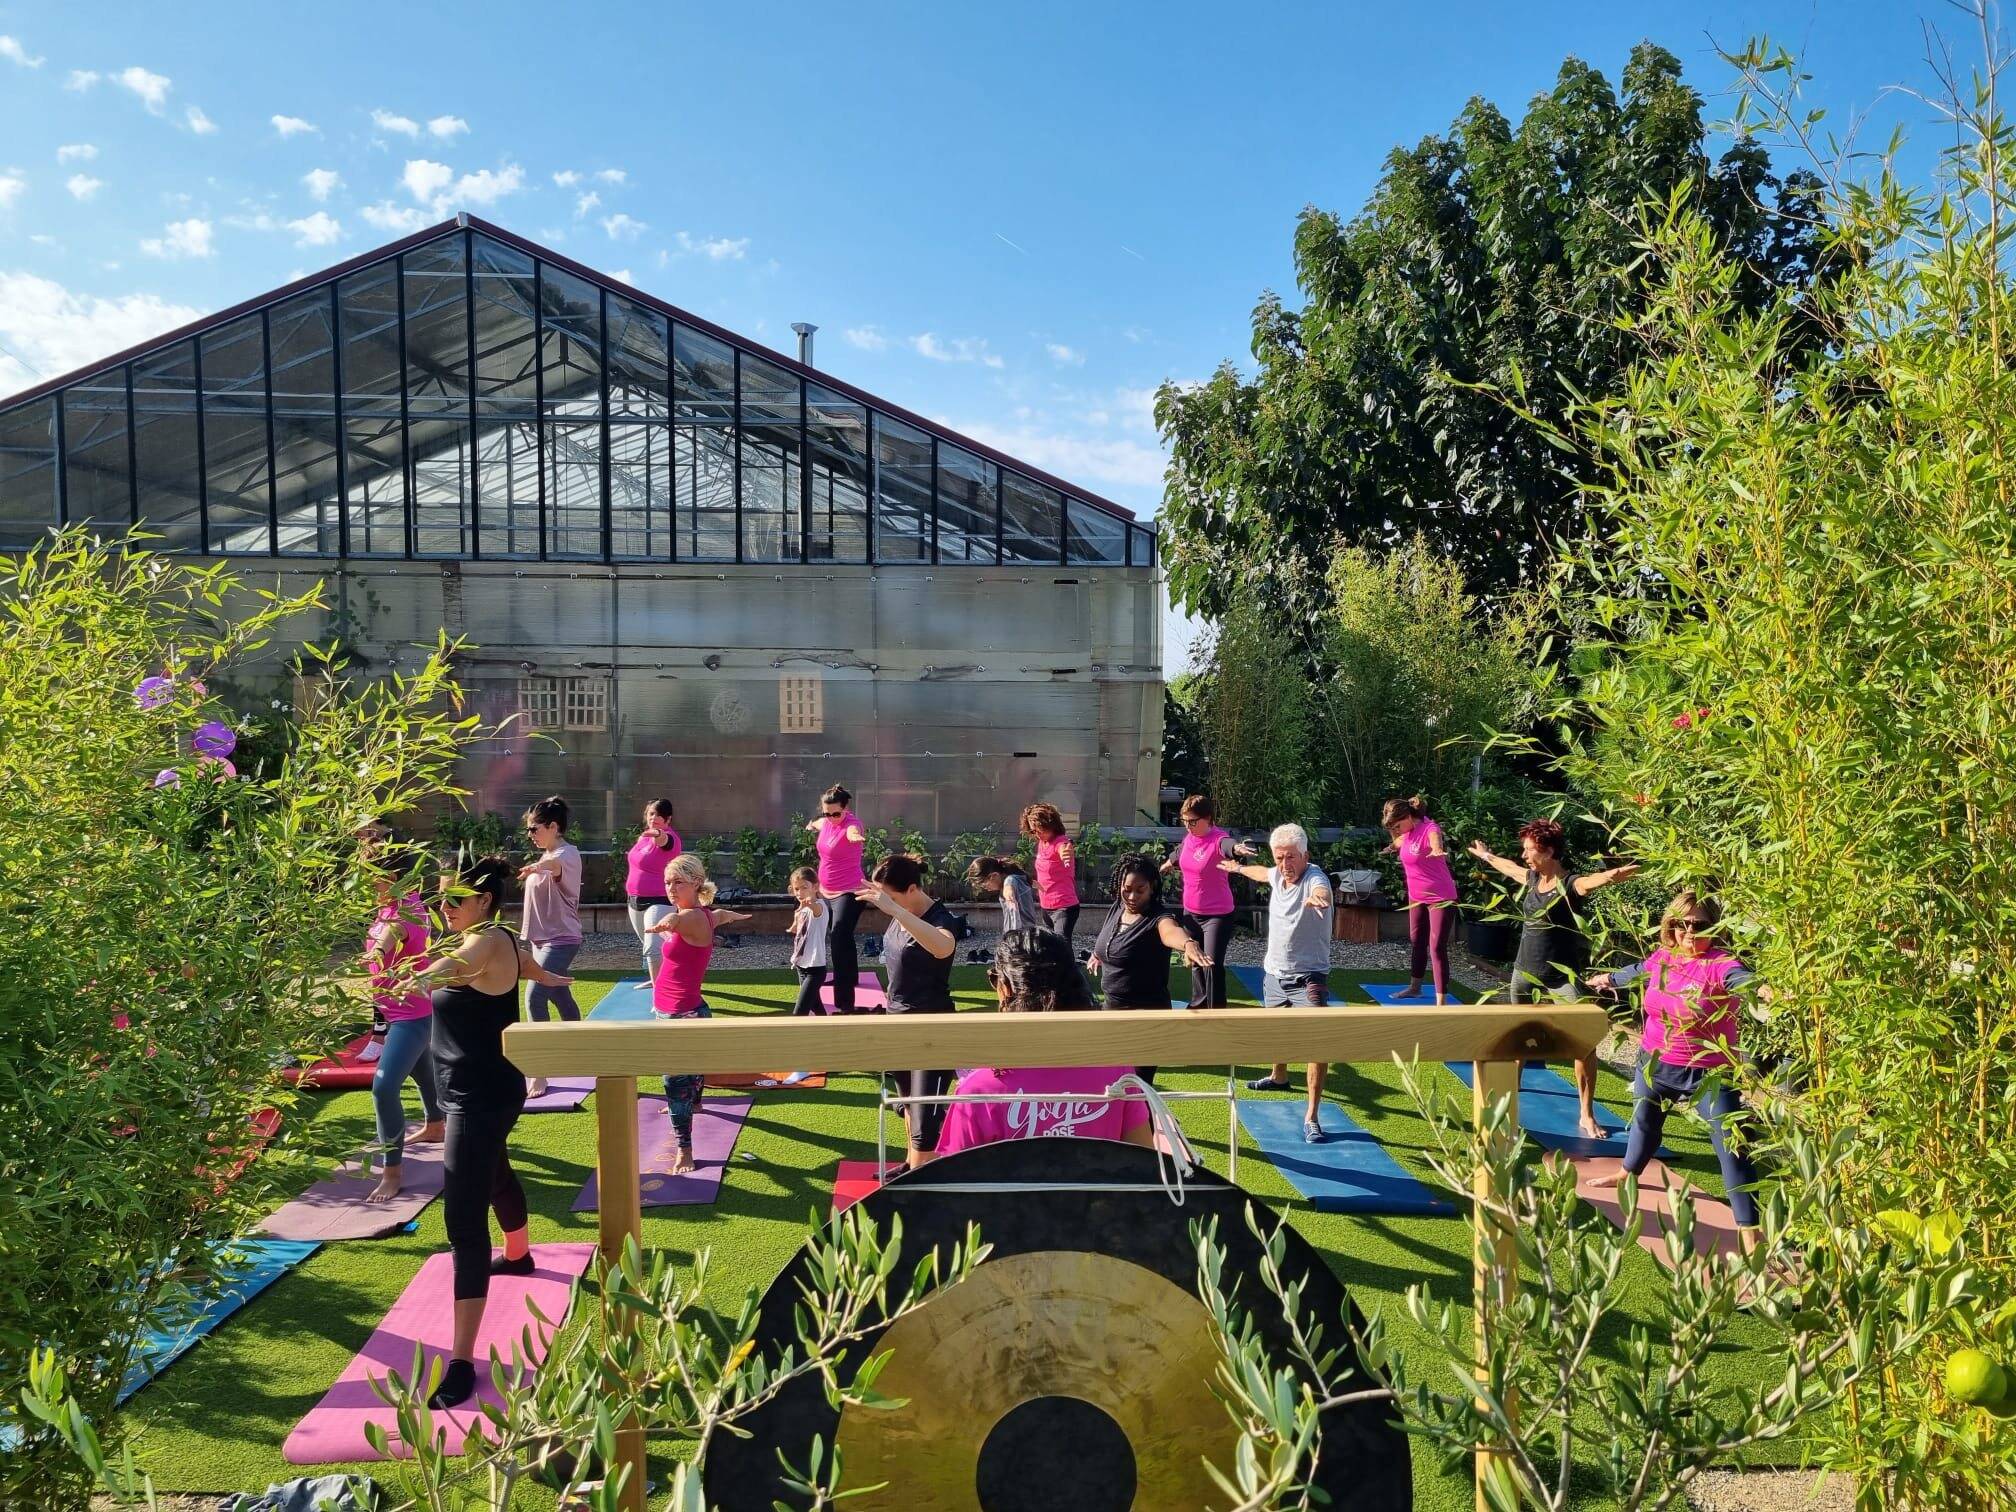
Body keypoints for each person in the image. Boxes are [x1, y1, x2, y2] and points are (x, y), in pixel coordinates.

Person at [415, 856, 575, 1410]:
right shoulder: (500, 938)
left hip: (476, 1099)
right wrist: (545, 976)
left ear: (483, 901)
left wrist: (391, 956)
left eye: (453, 900)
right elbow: (524, 964)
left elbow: (427, 978)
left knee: (462, 1221)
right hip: (490, 1090)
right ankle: (520, 1254)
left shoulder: (480, 944)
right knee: (495, 1172)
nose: (443, 908)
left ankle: (461, 1361)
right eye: (438, 899)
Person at [1586, 893, 1763, 1252]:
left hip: (1709, 1074)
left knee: (1733, 1147)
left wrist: (1765, 989)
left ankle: (1751, 1233)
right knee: (1644, 1123)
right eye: (1681, 923)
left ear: (1715, 928)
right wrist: (1608, 979)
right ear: (1670, 925)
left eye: (1699, 924)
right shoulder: (1664, 957)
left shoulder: (1720, 963)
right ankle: (1627, 1172)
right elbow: (1638, 970)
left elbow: (1741, 979)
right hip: (1655, 1063)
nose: (1689, 931)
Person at [1469, 820, 1639, 1140]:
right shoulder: (1533, 878)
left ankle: (1586, 1115)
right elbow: (1511, 869)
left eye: (1530, 850)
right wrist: (1487, 856)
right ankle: (1512, 1094)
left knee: (1583, 1045)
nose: (1524, 856)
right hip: (1524, 972)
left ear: (1548, 852)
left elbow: (1590, 883)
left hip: (1561, 978)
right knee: (1518, 1037)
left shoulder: (1570, 884)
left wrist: (1613, 875)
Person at [936, 929, 1157, 1156]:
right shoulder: (1117, 1072)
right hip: (1101, 1180)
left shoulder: (978, 1090)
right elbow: (1144, 1162)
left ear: (1007, 989)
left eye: (995, 979)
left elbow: (953, 1173)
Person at [643, 854, 753, 1173]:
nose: (670, 888)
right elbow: (719, 915)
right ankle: (696, 1103)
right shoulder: (704, 915)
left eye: (678, 882)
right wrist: (734, 915)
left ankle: (685, 1151)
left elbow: (678, 921)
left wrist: (668, 924)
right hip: (687, 1008)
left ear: (696, 883)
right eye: (667, 882)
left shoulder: (688, 917)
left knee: (673, 1082)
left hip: (679, 1014)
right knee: (692, 1070)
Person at [1227, 825, 1337, 1143]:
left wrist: (1319, 900)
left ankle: (1312, 1116)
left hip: (1308, 976)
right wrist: (1238, 868)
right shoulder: (1277, 873)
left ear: (1305, 855)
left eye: (1291, 857)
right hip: (1274, 973)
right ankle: (1279, 1076)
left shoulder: (1315, 879)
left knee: (1317, 1045)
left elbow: (1322, 891)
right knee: (1277, 1029)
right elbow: (1263, 873)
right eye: (1279, 857)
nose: (1285, 864)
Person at [856, 854, 959, 1169]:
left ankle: (918, 1177)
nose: (883, 904)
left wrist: (896, 910)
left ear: (913, 889)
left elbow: (944, 947)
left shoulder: (940, 918)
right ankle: (910, 1165)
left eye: (890, 897)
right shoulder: (900, 913)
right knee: (907, 1103)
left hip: (931, 1030)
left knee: (925, 1119)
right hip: (897, 1023)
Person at [361, 840, 444, 1203]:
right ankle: (435, 1125)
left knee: (383, 1088)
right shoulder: (395, 905)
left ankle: (391, 1173)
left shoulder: (402, 913)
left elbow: (388, 940)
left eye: (370, 876)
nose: (366, 884)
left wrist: (375, 953)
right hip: (400, 1011)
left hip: (411, 1014)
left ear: (390, 877)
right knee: (423, 1071)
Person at [1087, 854, 1213, 1082]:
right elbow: (1111, 940)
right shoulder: (1118, 908)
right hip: (1111, 1013)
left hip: (1146, 1018)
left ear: (1152, 887)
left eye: (1140, 890)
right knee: (1109, 1086)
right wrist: (1098, 954)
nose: (1132, 896)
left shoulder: (1158, 917)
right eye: (1127, 889)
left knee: (1138, 1089)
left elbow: (1170, 931)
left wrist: (1187, 943)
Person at [1159, 794, 1254, 1007]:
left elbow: (1228, 846)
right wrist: (1167, 864)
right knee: (1195, 960)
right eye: (1184, 822)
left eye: (1193, 821)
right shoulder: (1189, 838)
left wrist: (1237, 850)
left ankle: (1216, 1009)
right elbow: (1180, 852)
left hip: (1217, 915)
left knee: (1210, 964)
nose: (1188, 826)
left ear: (1208, 818)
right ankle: (1199, 1005)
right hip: (1191, 913)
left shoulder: (1218, 839)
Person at [518, 796, 583, 1099]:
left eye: (534, 829)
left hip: (562, 939)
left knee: (534, 996)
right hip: (541, 940)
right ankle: (581, 1047)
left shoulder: (567, 855)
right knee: (558, 992)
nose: (530, 834)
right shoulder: (546, 855)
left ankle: (539, 1071)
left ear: (554, 827)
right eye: (528, 830)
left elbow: (553, 866)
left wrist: (538, 866)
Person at [1382, 795, 1459, 1004]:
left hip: (1441, 898)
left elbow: (1435, 839)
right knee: (1417, 942)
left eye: (1397, 826)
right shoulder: (1406, 833)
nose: (1396, 831)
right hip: (1416, 898)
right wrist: (1390, 847)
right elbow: (1398, 842)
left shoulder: (1429, 828)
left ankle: (1441, 1001)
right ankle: (1415, 988)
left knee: (1436, 947)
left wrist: (1437, 849)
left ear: (1408, 817)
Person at [805, 785, 869, 1013]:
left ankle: (844, 1003)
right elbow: (818, 823)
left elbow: (853, 832)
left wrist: (855, 837)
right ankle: (850, 977)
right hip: (826, 890)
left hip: (850, 891)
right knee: (843, 937)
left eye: (836, 813)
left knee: (839, 936)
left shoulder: (852, 825)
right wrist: (812, 824)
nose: (832, 817)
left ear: (846, 808)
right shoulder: (825, 822)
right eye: (827, 813)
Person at [624, 798, 682, 985]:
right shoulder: (643, 838)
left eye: (659, 815)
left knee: (652, 948)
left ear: (668, 819)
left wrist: (658, 833)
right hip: (635, 900)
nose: (654, 818)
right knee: (653, 945)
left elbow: (664, 840)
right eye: (651, 814)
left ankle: (660, 991)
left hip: (659, 901)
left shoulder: (671, 839)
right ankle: (663, 978)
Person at [1021, 802, 1081, 943]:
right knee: (1050, 947)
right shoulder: (1042, 843)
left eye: (1040, 830)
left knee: (1062, 946)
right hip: (1046, 906)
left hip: (1064, 906)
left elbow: (1064, 847)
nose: (1038, 834)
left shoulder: (1061, 842)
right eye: (1034, 831)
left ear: (1051, 824)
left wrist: (1065, 853)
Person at [786, 865, 831, 1017]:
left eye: (804, 888)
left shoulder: (819, 906)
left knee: (800, 1013)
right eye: (796, 889)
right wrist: (798, 912)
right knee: (817, 1007)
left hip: (815, 969)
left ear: (815, 887)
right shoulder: (802, 909)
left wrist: (809, 904)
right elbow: (794, 930)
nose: (800, 893)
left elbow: (816, 910)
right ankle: (829, 1027)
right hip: (801, 966)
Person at [966, 855, 1040, 936]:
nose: (985, 889)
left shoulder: (1011, 880)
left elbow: (1010, 883)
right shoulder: (1013, 881)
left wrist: (1008, 892)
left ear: (994, 875)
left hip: (1024, 936)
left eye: (984, 885)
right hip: (1015, 934)